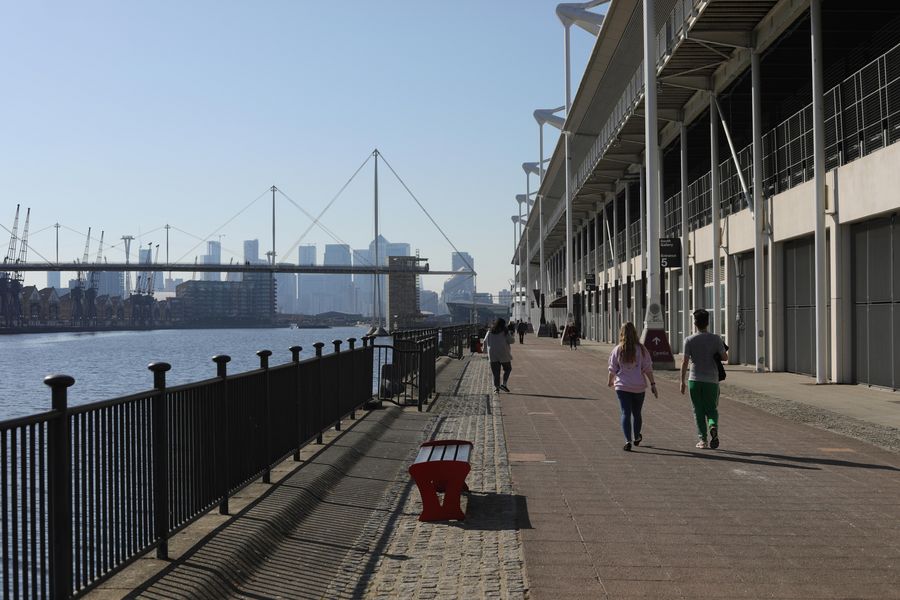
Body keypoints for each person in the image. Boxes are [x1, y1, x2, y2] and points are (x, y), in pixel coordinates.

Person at [680, 309, 728, 449]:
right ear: (708, 322)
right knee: (711, 409)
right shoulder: (716, 339)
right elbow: (725, 357)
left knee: (698, 410)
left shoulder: (689, 340)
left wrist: (682, 381)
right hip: (711, 379)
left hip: (694, 379)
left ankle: (703, 440)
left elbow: (684, 362)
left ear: (695, 323)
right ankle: (712, 425)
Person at [608, 322, 658, 451]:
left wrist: (610, 381)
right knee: (637, 413)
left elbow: (612, 368)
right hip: (638, 386)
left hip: (622, 386)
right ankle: (636, 436)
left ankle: (627, 440)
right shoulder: (642, 350)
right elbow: (648, 368)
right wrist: (653, 384)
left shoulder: (618, 349)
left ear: (622, 333)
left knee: (625, 412)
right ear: (635, 333)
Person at [484, 318, 513, 393]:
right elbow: (511, 341)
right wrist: (511, 335)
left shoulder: (489, 331)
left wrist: (485, 351)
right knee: (508, 369)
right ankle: (504, 384)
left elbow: (485, 341)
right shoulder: (505, 332)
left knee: (496, 372)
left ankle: (496, 389)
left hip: (492, 353)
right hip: (503, 353)